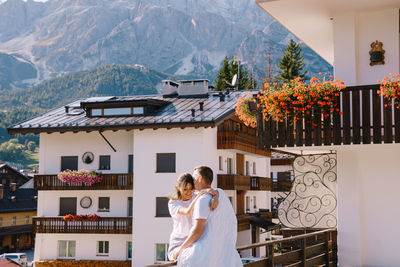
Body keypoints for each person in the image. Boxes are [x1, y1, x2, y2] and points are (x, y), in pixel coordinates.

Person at [173, 166, 243, 267]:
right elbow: (215, 192)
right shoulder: (221, 193)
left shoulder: (202, 200)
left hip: (206, 256)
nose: (192, 181)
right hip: (225, 254)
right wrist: (215, 196)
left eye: (193, 178)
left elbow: (197, 231)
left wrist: (180, 249)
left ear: (200, 178)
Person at [167, 173, 219, 261]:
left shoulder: (195, 195)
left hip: (193, 240)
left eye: (191, 189)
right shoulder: (173, 203)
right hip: (178, 243)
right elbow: (188, 212)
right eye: (185, 189)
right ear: (179, 188)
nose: (189, 192)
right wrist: (200, 195)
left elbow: (214, 191)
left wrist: (216, 198)